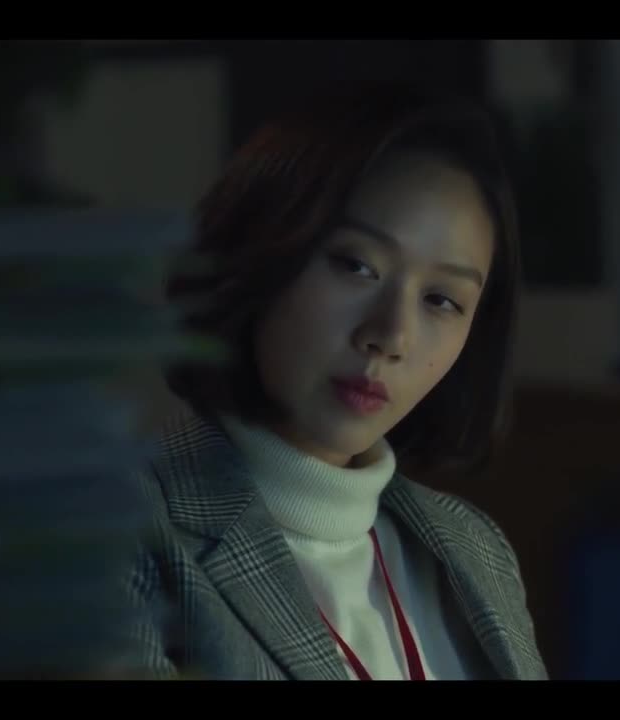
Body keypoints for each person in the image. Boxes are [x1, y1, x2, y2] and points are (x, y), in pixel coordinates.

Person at [120, 84, 547, 680]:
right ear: (259, 247)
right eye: (356, 265)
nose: (391, 336)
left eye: (442, 300)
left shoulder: (477, 551)